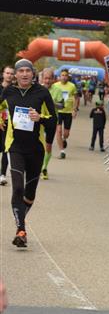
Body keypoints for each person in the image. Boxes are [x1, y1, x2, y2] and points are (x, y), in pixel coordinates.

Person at [0, 59, 56, 247]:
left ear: (33, 74)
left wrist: (40, 118)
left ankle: (20, 222)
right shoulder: (8, 92)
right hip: (15, 146)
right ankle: (21, 230)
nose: (24, 74)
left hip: (36, 149)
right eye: (21, 71)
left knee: (30, 193)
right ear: (15, 75)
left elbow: (53, 120)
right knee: (17, 188)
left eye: (27, 71)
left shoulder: (42, 93)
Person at [39, 68, 64, 179]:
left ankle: (44, 167)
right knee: (37, 144)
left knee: (48, 145)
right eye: (45, 78)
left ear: (53, 79)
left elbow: (62, 106)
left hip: (51, 120)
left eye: (49, 78)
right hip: (38, 119)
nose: (47, 81)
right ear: (41, 78)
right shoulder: (36, 89)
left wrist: (51, 102)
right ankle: (37, 166)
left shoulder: (57, 90)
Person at [52, 68, 79, 159]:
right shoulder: (55, 85)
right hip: (58, 112)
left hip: (68, 112)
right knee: (59, 131)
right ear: (59, 76)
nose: (64, 77)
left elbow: (76, 98)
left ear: (68, 77)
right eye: (62, 75)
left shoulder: (72, 86)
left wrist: (75, 109)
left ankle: (64, 139)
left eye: (65, 75)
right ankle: (62, 151)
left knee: (66, 133)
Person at [0, 65, 15, 186]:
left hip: (8, 123)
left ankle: (2, 175)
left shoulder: (15, 90)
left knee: (6, 148)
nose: (9, 75)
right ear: (3, 74)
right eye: (7, 73)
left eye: (11, 73)